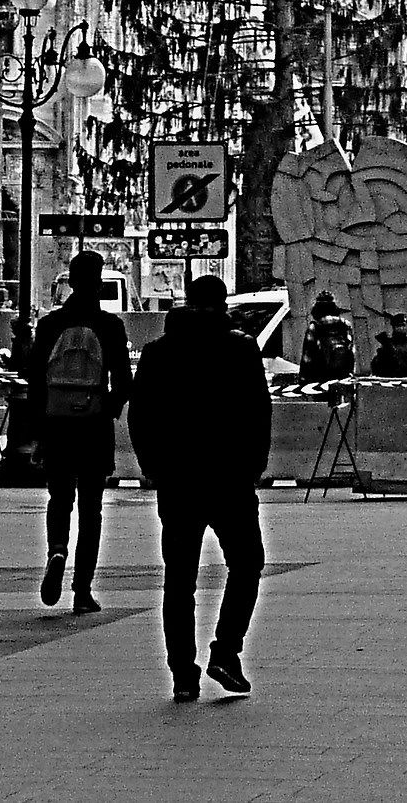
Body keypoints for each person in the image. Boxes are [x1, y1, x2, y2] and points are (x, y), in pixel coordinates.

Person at [129, 273, 272, 700]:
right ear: (223, 303)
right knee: (247, 564)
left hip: (179, 481)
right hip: (230, 478)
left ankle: (183, 674)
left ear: (187, 302)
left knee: (180, 580)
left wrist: (155, 467)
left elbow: (141, 416)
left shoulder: (159, 352)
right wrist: (253, 467)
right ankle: (226, 650)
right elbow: (258, 413)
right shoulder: (240, 349)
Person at [27, 253, 134, 611]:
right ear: (99, 283)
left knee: (59, 499)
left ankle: (57, 549)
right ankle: (82, 590)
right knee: (92, 508)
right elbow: (123, 380)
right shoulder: (110, 326)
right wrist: (109, 408)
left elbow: (35, 382)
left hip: (57, 424)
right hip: (93, 425)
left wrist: (40, 429)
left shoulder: (50, 325)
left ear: (69, 283)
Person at [297, 291, 356, 382]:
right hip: (342, 376)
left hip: (321, 377)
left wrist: (303, 378)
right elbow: (351, 351)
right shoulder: (345, 325)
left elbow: (307, 356)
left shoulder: (314, 327)